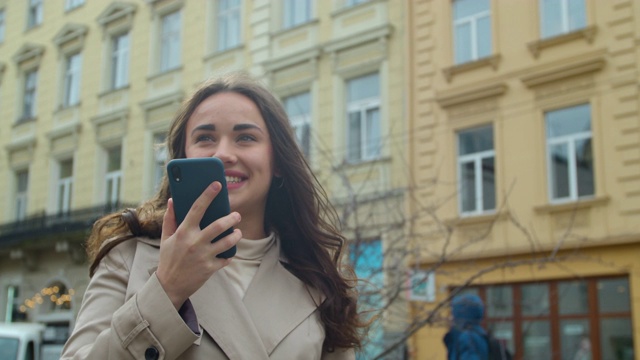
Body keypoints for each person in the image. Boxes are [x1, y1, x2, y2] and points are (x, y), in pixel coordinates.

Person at [61, 73, 366, 359]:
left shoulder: (317, 272)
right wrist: (167, 290)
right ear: (182, 157)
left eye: (245, 138)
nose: (223, 153)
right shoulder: (129, 257)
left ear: (277, 162)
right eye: (205, 138)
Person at [443, 294, 489, 360]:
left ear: (461, 316)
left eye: (453, 313)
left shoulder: (468, 338)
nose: (450, 318)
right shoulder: (477, 335)